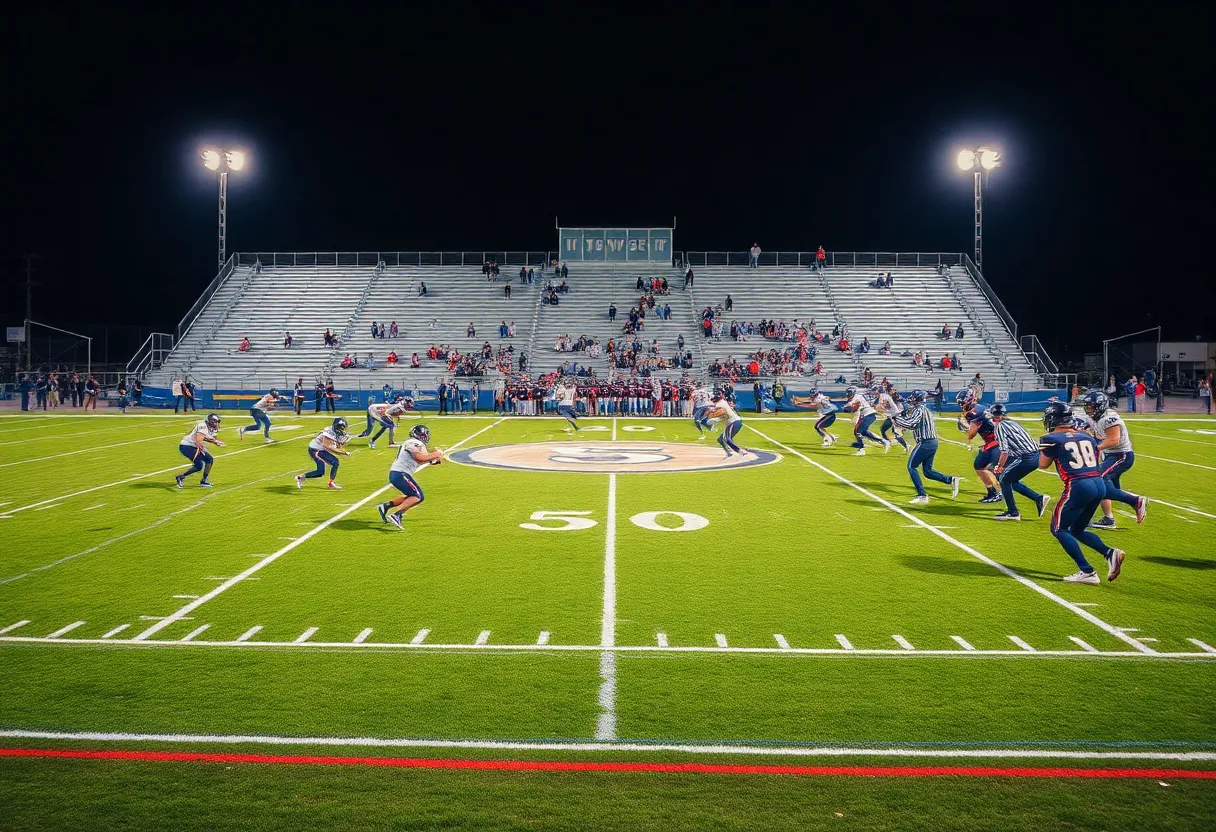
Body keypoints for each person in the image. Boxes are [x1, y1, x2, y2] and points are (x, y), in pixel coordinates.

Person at [1038, 401, 1145, 584]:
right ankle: (1110, 553)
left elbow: (1043, 464)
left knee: (1059, 529)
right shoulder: (1086, 436)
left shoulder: (1050, 439)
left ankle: (1087, 571)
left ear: (1052, 420)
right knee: (1077, 529)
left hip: (1078, 486)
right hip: (1098, 484)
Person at [1083, 391, 1140, 530]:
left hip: (1122, 455)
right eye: (1087, 407)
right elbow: (1086, 429)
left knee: (1098, 479)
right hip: (1110, 456)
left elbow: (1114, 440)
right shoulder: (1094, 418)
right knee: (1105, 487)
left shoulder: (1109, 418)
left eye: (1091, 406)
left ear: (1101, 406)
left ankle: (1135, 501)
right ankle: (1109, 519)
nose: (1089, 410)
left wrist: (1096, 447)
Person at [893, 390, 961, 505]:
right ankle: (950, 480)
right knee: (927, 472)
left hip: (926, 442)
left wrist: (897, 419)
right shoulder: (921, 409)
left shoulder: (920, 409)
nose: (911, 398)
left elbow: (911, 424)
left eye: (913, 397)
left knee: (911, 467)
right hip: (931, 442)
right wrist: (902, 416)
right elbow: (912, 422)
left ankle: (922, 495)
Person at [989, 403, 1051, 521]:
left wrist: (999, 466)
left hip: (1027, 457)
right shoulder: (1012, 422)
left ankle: (1013, 512)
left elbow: (1004, 451)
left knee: (1003, 479)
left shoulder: (1000, 426)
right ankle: (1038, 498)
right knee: (1010, 480)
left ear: (995, 416)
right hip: (1034, 455)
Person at [376, 425, 443, 530]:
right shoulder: (413, 442)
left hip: (398, 474)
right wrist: (436, 454)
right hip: (400, 473)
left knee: (413, 496)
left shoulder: (414, 443)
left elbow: (421, 460)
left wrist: (434, 460)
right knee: (418, 496)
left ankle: (386, 506)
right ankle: (397, 514)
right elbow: (420, 457)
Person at [957, 389, 1001, 503]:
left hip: (997, 441)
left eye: (962, 402)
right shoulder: (977, 408)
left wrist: (964, 427)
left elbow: (972, 433)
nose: (961, 404)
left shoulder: (974, 411)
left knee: (991, 469)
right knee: (979, 465)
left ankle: (1001, 493)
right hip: (991, 441)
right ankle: (992, 492)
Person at [296, 418, 352, 491]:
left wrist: (342, 442)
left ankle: (300, 477)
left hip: (321, 450)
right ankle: (330, 483)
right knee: (330, 465)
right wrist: (343, 452)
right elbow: (328, 446)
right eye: (340, 428)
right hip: (315, 450)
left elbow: (336, 444)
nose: (342, 430)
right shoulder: (329, 432)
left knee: (325, 469)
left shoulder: (335, 432)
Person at [175, 413, 225, 489]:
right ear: (210, 422)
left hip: (192, 446)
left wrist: (215, 442)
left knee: (209, 460)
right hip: (187, 446)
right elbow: (198, 439)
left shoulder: (207, 427)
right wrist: (201, 448)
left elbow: (203, 437)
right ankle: (180, 477)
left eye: (217, 422)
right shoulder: (203, 427)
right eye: (215, 422)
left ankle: (204, 481)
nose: (216, 424)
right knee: (199, 466)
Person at [844, 386, 888, 456]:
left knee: (857, 431)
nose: (847, 395)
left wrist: (849, 409)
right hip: (869, 415)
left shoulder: (856, 398)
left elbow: (855, 407)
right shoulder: (858, 397)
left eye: (849, 393)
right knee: (863, 432)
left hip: (868, 415)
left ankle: (862, 449)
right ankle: (883, 441)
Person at [706, 390, 744, 457]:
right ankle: (728, 452)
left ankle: (740, 451)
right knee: (720, 439)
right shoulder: (722, 402)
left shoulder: (720, 404)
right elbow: (723, 415)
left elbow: (721, 412)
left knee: (727, 439)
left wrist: (712, 416)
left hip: (733, 422)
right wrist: (715, 419)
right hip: (733, 422)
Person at [876, 388, 909, 453]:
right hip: (892, 416)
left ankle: (906, 445)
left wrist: (879, 407)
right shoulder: (884, 397)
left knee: (896, 433)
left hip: (896, 417)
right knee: (883, 429)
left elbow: (884, 405)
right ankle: (887, 441)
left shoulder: (886, 397)